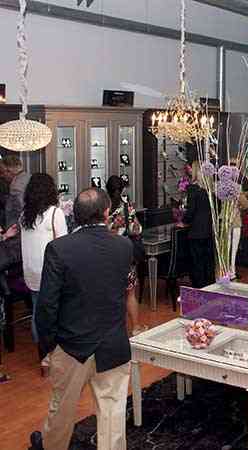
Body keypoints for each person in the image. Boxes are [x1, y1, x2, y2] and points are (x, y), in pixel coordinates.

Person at [30, 188, 133, 450]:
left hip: (71, 345)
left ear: (74, 215)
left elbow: (46, 306)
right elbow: (123, 290)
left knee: (61, 411)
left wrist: (48, 347)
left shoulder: (59, 249)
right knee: (113, 416)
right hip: (113, 343)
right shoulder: (124, 246)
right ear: (107, 212)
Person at [20, 173, 68, 376]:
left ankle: (44, 358)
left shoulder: (24, 216)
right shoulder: (55, 214)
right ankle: (55, 356)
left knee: (37, 313)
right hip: (50, 272)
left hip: (31, 272)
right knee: (57, 314)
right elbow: (63, 246)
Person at [106, 175, 145, 335]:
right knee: (130, 293)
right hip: (125, 255)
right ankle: (135, 327)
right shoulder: (126, 207)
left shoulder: (102, 208)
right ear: (122, 189)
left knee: (110, 294)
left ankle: (113, 329)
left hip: (106, 256)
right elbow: (137, 229)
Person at [181, 161, 215, 288]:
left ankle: (199, 288)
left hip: (196, 232)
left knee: (197, 262)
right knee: (208, 261)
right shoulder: (210, 190)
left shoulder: (193, 189)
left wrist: (184, 221)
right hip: (208, 230)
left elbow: (191, 211)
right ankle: (209, 287)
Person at [3, 155, 30, 227]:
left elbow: (22, 209)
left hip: (17, 227)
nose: (2, 175)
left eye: (3, 172)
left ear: (9, 171)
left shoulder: (15, 186)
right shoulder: (28, 176)